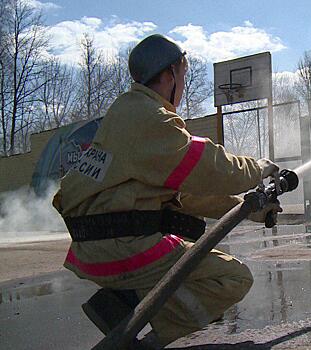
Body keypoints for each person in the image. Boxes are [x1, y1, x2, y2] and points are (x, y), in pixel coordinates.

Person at [52, 34, 281, 348]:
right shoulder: (152, 119)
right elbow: (209, 167)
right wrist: (259, 167)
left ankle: (125, 300)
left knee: (188, 243)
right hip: (124, 248)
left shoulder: (127, 114)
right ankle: (141, 321)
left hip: (94, 249)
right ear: (168, 75)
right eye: (183, 75)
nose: (184, 85)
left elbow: (183, 195)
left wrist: (249, 207)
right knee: (232, 278)